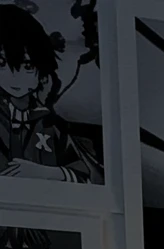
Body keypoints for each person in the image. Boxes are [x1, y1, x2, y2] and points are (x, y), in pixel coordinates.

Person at [0, 4, 101, 184]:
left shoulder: (48, 122)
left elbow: (87, 176)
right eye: (1, 63)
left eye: (28, 66)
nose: (14, 76)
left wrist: (49, 173)